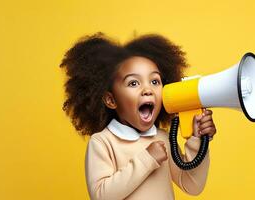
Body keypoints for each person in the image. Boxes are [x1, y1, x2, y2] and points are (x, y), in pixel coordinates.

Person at [59, 32, 216, 199]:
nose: (148, 90)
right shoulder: (102, 142)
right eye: (133, 83)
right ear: (111, 99)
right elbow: (101, 195)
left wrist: (198, 141)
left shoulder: (162, 138)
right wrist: (146, 160)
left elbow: (192, 185)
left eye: (155, 81)